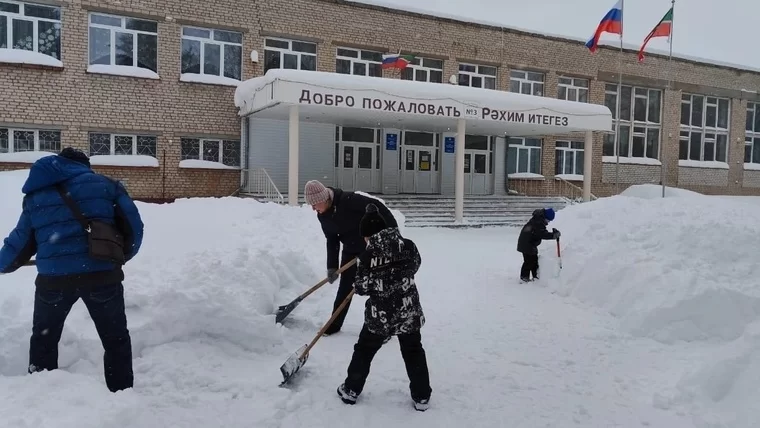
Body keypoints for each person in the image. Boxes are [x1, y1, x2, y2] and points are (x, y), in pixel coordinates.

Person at [0, 148, 144, 393]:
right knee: (115, 338)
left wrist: (3, 264)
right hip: (102, 276)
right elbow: (134, 228)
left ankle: (41, 394)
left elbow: (21, 242)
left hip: (53, 281)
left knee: (44, 339)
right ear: (83, 165)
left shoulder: (37, 196)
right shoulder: (106, 186)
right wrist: (117, 258)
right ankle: (121, 394)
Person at [336, 203, 431, 411]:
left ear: (369, 236)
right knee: (414, 351)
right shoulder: (408, 246)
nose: (365, 241)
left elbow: (361, 288)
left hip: (380, 316)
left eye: (365, 237)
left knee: (364, 351)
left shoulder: (366, 258)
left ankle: (351, 390)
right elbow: (415, 265)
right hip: (409, 311)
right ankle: (422, 396)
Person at [304, 180, 398, 336]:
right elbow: (332, 239)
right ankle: (334, 324)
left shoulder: (349, 200)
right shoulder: (323, 216)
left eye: (314, 204)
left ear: (324, 199)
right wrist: (332, 266)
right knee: (345, 287)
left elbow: (378, 207)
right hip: (350, 250)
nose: (313, 208)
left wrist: (392, 234)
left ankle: (384, 326)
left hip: (373, 248)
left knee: (379, 287)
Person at [516, 207, 560, 283]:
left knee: (533, 260)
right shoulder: (538, 222)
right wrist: (553, 235)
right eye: (548, 220)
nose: (548, 222)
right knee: (529, 261)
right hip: (527, 243)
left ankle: (535, 277)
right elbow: (542, 234)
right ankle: (524, 278)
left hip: (528, 242)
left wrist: (552, 235)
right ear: (545, 217)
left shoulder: (538, 218)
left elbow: (540, 232)